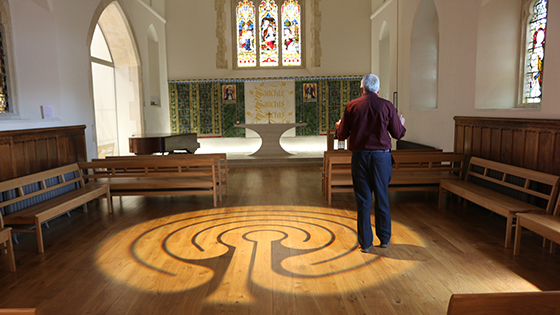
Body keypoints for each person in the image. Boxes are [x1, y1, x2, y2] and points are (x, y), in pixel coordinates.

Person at [335, 74, 406, 252]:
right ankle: (384, 238)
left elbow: (342, 134)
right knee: (382, 197)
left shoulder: (352, 106)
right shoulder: (387, 106)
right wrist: (401, 123)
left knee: (363, 200)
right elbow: (398, 134)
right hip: (381, 158)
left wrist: (339, 126)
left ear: (362, 89)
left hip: (360, 158)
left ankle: (366, 243)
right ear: (378, 89)